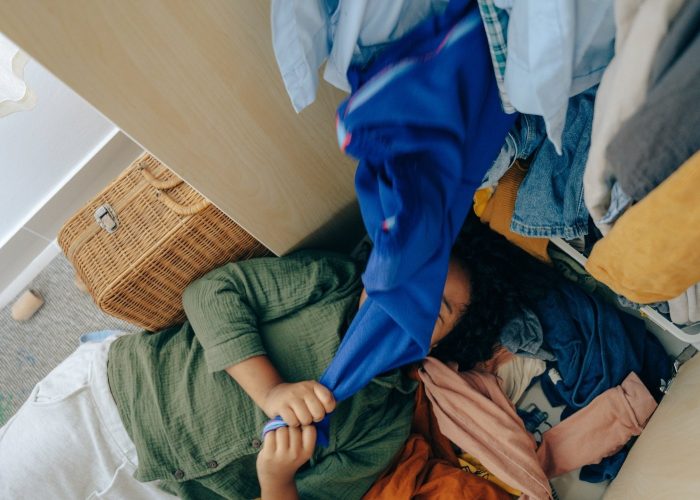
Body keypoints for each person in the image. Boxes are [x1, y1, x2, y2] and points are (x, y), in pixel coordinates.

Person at [0, 235, 475, 499]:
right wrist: (270, 391)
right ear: (377, 268)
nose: (419, 300)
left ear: (436, 345)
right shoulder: (329, 283)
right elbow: (209, 295)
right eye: (415, 278)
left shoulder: (382, 423)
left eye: (440, 310)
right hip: (108, 405)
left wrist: (277, 479)